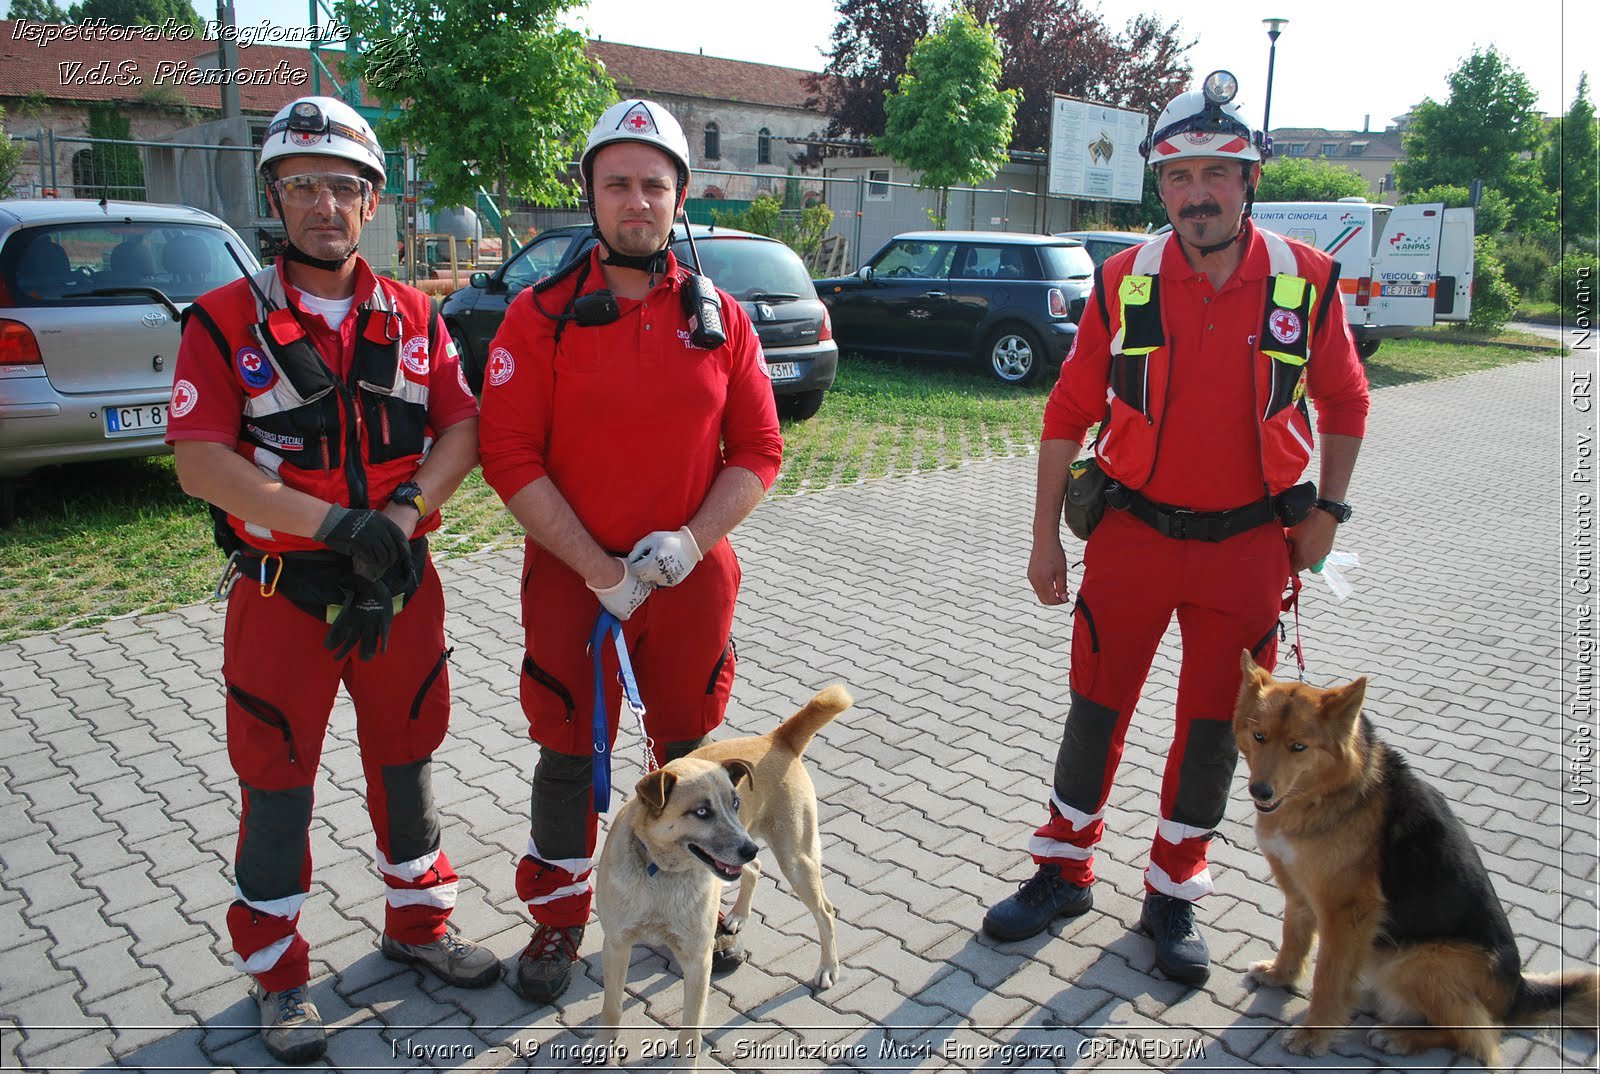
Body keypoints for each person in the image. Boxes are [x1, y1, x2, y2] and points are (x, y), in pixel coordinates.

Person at [981, 71, 1371, 985]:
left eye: (1218, 174)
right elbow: (1067, 408)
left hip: (1247, 548)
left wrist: (1330, 512)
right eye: (1179, 176)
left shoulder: (1304, 281)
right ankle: (1062, 871)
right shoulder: (1125, 277)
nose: (1197, 193)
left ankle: (1171, 891)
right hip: (1131, 539)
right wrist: (1044, 536)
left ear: (1249, 184)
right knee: (1094, 712)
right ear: (1161, 188)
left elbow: (1346, 397)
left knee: (1211, 731)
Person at [165, 96, 497, 1063]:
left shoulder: (417, 316)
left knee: (408, 759)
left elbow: (463, 428)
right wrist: (333, 525)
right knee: (277, 784)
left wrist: (393, 520)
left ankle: (420, 926)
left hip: (398, 586)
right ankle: (278, 978)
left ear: (371, 202)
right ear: (275, 196)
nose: (324, 204)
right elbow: (199, 459)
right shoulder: (226, 322)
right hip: (282, 596)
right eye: (302, 185)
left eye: (342, 187)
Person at [477, 98, 783, 1005]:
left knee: (692, 761)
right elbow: (508, 455)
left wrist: (693, 542)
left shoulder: (722, 319)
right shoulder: (541, 318)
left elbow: (760, 452)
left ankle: (696, 913)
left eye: (655, 183)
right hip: (576, 586)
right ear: (591, 195)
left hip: (689, 584)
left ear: (679, 196)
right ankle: (561, 918)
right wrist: (601, 570)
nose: (637, 201)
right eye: (618, 183)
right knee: (572, 754)